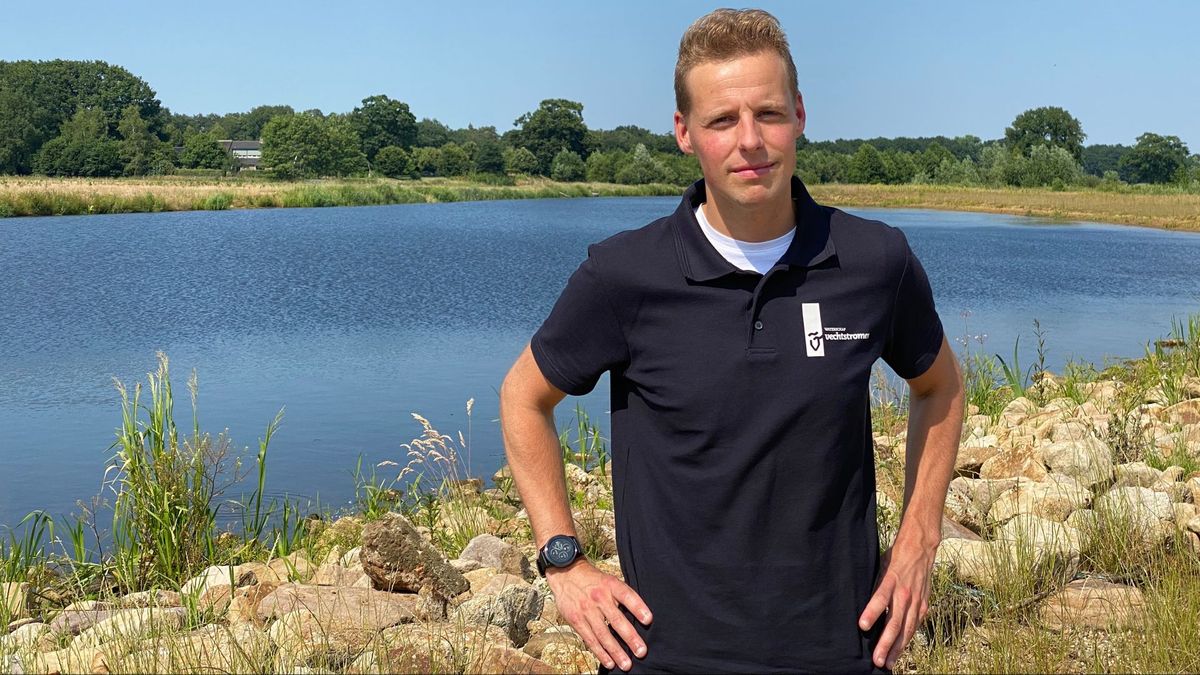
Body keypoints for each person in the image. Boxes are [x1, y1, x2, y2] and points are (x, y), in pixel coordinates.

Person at [499, 8, 964, 673]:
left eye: (768, 113)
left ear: (800, 114)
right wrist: (563, 559)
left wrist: (921, 533)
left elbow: (940, 385)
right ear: (685, 133)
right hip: (660, 654)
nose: (750, 140)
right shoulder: (624, 274)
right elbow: (523, 396)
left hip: (841, 647)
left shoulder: (874, 260)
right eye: (722, 120)